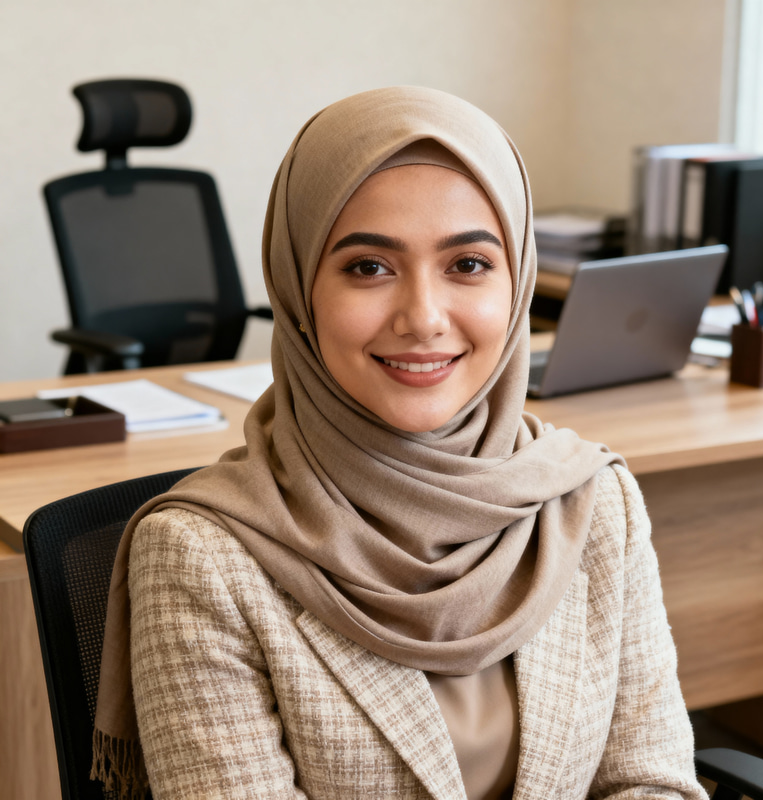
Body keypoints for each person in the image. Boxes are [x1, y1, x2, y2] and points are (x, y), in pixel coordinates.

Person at [91, 86, 707, 800]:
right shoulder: (204, 558)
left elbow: (650, 780)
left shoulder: (593, 502)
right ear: (299, 293)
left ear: (519, 284)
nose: (423, 317)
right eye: (368, 267)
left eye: (469, 264)